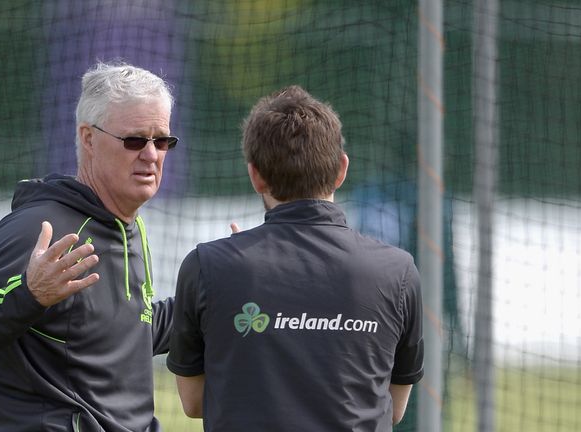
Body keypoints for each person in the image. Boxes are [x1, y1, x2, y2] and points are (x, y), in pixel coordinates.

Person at [0, 61, 177, 432]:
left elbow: (120, 332)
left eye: (162, 141)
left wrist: (220, 288)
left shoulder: (130, 227)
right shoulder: (41, 227)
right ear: (88, 139)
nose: (152, 155)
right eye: (135, 140)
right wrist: (29, 295)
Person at [166, 85, 424, 431]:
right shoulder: (398, 271)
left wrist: (240, 272)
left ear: (255, 175)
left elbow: (194, 401)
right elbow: (391, 407)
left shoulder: (207, 266)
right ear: (341, 169)